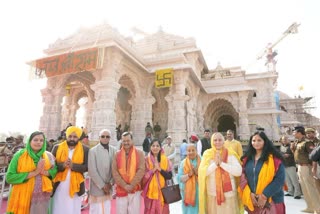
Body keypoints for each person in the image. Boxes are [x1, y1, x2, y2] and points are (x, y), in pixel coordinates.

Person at [6, 131, 57, 214]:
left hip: (41, 197)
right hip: (22, 196)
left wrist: (45, 172)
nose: (38, 142)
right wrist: (35, 172)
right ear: (30, 141)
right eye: (35, 140)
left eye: (41, 140)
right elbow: (10, 177)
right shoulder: (19, 155)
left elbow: (54, 171)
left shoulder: (48, 156)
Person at [239, 130, 286, 214]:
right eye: (254, 140)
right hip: (254, 200)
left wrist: (264, 195)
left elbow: (279, 180)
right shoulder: (247, 159)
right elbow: (243, 177)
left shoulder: (275, 159)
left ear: (265, 141)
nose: (256, 143)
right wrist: (249, 194)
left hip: (272, 200)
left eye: (259, 140)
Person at [198, 132, 242, 214]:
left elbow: (238, 171)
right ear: (212, 141)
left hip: (229, 194)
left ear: (223, 141)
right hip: (212, 193)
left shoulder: (230, 154)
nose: (217, 142)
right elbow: (203, 172)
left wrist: (222, 164)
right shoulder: (207, 154)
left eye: (220, 140)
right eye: (215, 140)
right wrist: (215, 164)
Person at [51, 126, 90, 214]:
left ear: (79, 137)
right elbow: (51, 165)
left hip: (76, 185)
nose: (72, 139)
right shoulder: (57, 147)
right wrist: (63, 165)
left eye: (75, 137)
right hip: (59, 184)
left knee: (73, 208)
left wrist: (73, 166)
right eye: (70, 136)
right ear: (67, 136)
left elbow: (87, 167)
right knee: (58, 207)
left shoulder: (85, 149)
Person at [112, 132, 145, 214]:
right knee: (121, 212)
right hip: (121, 189)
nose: (126, 143)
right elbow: (114, 171)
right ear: (121, 141)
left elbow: (141, 170)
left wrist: (131, 185)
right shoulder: (117, 154)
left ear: (132, 140)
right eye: (124, 141)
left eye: (128, 140)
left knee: (134, 212)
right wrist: (125, 185)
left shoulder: (139, 153)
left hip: (135, 189)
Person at [291, 126, 320, 213]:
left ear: (300, 133)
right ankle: (310, 207)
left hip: (307, 167)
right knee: (305, 188)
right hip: (299, 166)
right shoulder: (296, 142)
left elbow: (313, 156)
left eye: (294, 132)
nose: (293, 133)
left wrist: (313, 168)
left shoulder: (307, 143)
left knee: (311, 188)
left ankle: (318, 208)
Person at [88, 129, 117, 214]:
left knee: (106, 209)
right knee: (96, 210)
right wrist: (103, 185)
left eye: (107, 136)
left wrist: (110, 183)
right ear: (99, 138)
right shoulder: (93, 151)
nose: (105, 138)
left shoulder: (114, 150)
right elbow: (92, 170)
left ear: (110, 138)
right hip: (97, 187)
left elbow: (115, 169)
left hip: (109, 186)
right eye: (103, 136)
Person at [142, 139, 173, 213]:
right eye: (153, 146)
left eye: (157, 146)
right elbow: (143, 177)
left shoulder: (165, 159)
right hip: (150, 192)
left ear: (160, 147)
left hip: (163, 192)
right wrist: (153, 170)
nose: (155, 148)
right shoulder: (146, 160)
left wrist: (159, 169)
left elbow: (169, 176)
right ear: (150, 147)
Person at [177, 143, 201, 214]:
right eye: (189, 150)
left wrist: (197, 172)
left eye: (193, 150)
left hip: (200, 191)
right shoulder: (183, 163)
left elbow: (206, 176)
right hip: (187, 192)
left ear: (196, 151)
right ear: (186, 152)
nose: (191, 152)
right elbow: (179, 178)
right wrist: (189, 175)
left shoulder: (202, 161)